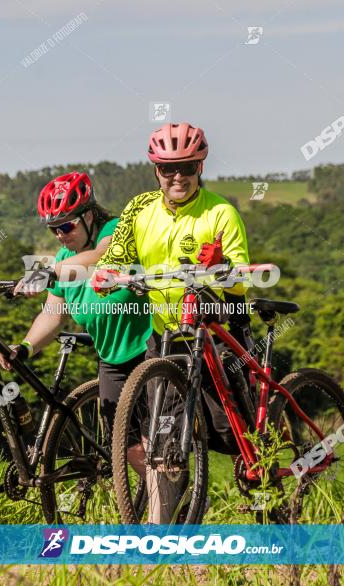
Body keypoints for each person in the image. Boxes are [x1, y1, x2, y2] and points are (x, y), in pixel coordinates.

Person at [92, 122, 254, 522]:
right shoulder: (141, 211)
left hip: (216, 329)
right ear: (156, 173)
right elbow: (117, 256)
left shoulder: (220, 212)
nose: (177, 176)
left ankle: (273, 474)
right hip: (166, 337)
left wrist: (223, 268)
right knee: (165, 436)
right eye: (168, 169)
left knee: (235, 432)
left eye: (186, 167)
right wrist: (107, 275)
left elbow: (242, 281)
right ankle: (161, 533)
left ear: (201, 166)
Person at [0, 172, 153, 456]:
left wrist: (47, 272)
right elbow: (54, 314)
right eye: (53, 229)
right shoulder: (62, 259)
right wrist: (25, 347)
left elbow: (101, 257)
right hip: (112, 360)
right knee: (127, 448)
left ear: (89, 216)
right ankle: (166, 500)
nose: (60, 235)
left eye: (66, 226)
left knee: (155, 443)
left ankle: (181, 496)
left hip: (149, 350)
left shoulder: (115, 231)